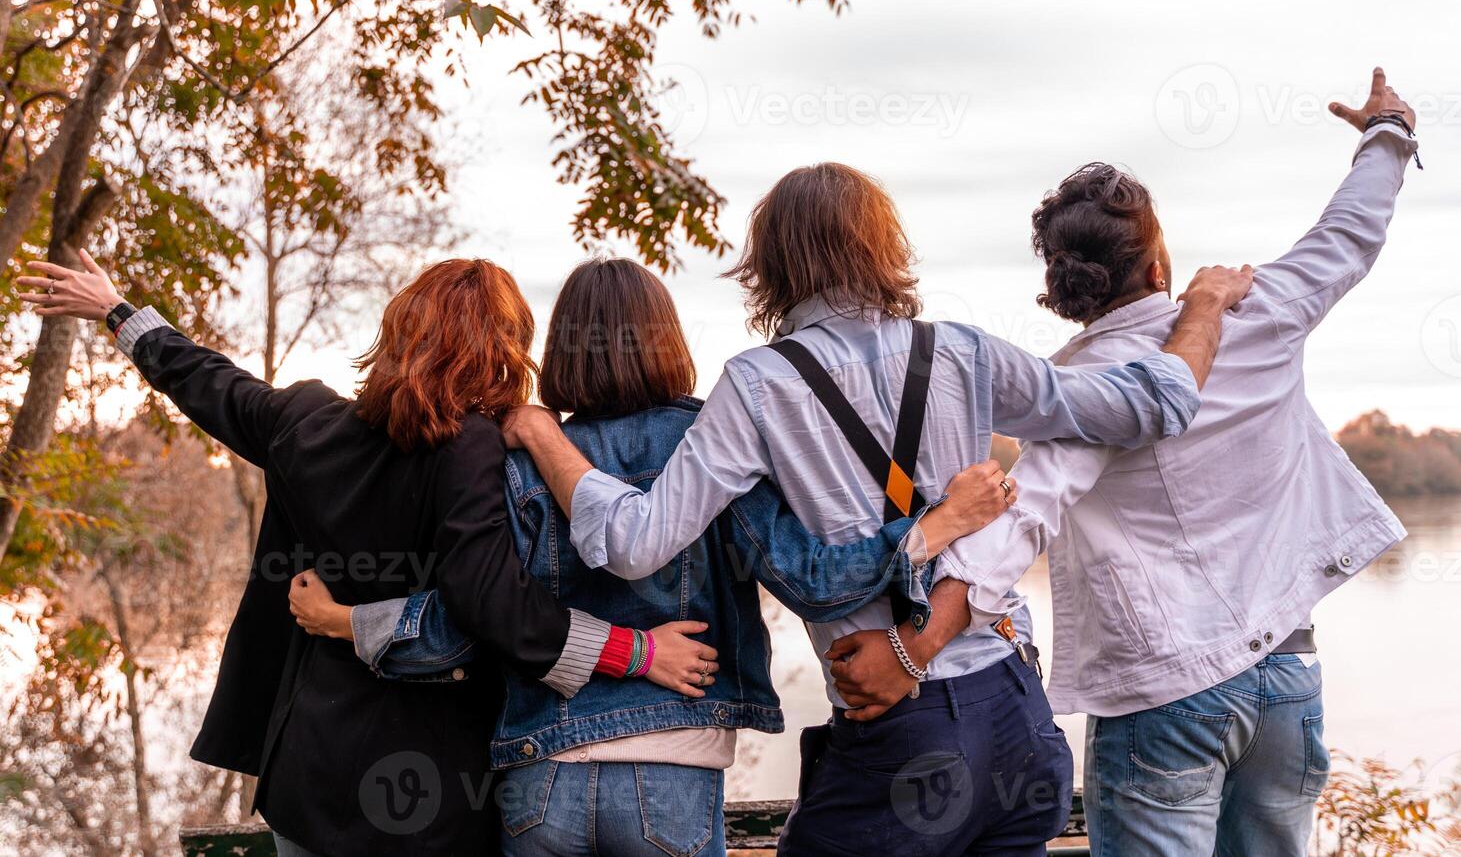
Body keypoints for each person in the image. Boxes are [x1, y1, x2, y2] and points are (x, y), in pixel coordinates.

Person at [499, 164, 1254, 855]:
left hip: (900, 726)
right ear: (878, 245)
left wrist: (541, 432)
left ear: (772, 264)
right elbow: (1155, 402)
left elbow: (633, 544)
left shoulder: (758, 385)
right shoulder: (961, 350)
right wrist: (1203, 308)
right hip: (1020, 711)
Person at [828, 68, 1419, 856]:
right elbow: (1349, 233)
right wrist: (1388, 132)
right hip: (1287, 675)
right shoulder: (1259, 310)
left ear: (1065, 286)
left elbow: (1021, 517)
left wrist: (914, 650)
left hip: (1163, 695)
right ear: (1156, 266)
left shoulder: (1074, 392)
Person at [287, 257, 1014, 856]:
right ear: (665, 339)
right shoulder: (714, 446)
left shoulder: (524, 461)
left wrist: (350, 622)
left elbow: (475, 618)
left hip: (542, 779)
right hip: (673, 773)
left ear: (560, 351)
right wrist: (932, 527)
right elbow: (811, 581)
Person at [16, 257, 721, 856]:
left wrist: (116, 311)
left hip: (308, 775)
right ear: (503, 348)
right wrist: (633, 651)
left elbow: (209, 383)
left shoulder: (305, 422)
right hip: (435, 794)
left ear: (397, 331)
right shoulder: (472, 447)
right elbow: (492, 605)